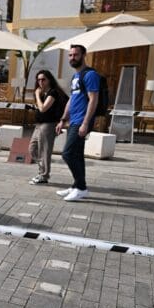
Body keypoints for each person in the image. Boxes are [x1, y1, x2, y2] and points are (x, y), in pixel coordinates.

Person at [55, 45, 99, 201]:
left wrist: (85, 123)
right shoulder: (76, 77)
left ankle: (81, 187)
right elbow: (71, 100)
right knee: (77, 155)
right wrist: (63, 119)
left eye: (75, 55)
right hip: (73, 120)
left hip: (81, 120)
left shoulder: (90, 75)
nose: (72, 58)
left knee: (67, 154)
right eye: (70, 55)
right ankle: (77, 186)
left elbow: (93, 99)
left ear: (83, 55)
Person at [28, 70, 67, 185]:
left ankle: (44, 175)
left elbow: (43, 108)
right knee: (32, 149)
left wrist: (36, 95)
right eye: (38, 79)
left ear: (49, 80)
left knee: (44, 151)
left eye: (43, 79)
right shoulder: (44, 93)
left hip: (48, 125)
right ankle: (42, 170)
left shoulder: (53, 93)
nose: (40, 82)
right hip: (39, 124)